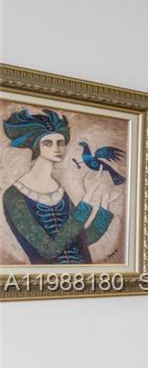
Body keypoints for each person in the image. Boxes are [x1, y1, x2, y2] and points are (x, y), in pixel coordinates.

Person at [2, 107, 117, 264]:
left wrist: (104, 206)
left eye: (60, 142)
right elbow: (49, 250)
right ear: (37, 147)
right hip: (46, 282)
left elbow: (83, 239)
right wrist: (87, 199)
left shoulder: (59, 190)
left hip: (82, 276)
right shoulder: (13, 195)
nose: (57, 148)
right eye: (48, 143)